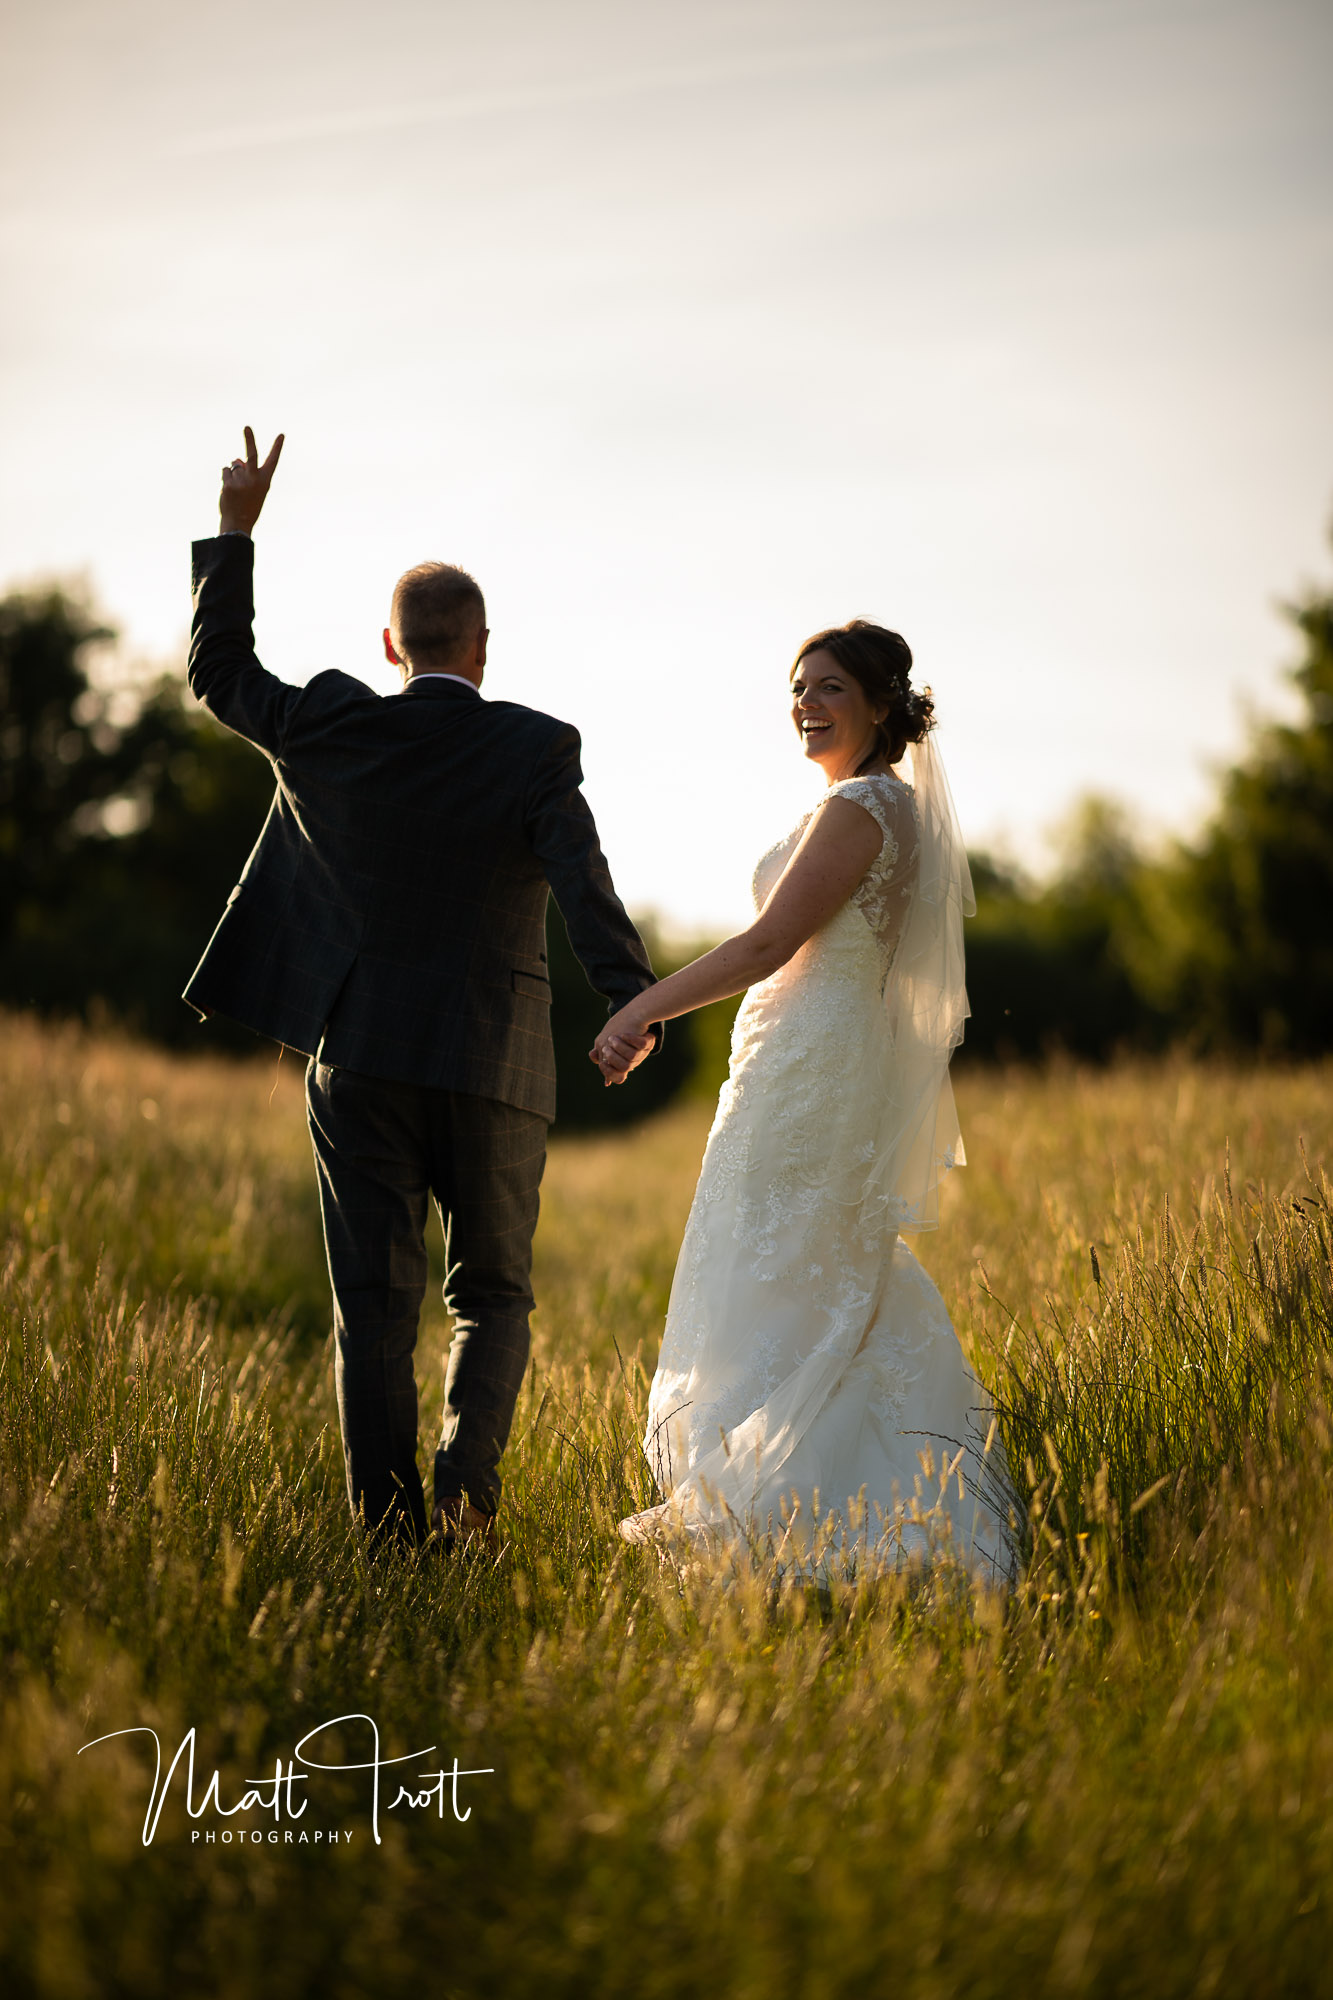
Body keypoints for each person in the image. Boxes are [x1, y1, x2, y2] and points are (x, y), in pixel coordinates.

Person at [185, 429, 659, 1554]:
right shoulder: (537, 749)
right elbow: (580, 879)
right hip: (496, 1056)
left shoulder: (337, 723)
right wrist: (627, 995)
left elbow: (222, 676)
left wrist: (237, 535)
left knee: (374, 1313)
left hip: (361, 1057)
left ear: (389, 644)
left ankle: (390, 1535)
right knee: (492, 1293)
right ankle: (467, 1494)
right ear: (481, 648)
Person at [592, 621, 1016, 1582]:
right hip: (800, 1062)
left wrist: (640, 1010)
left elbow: (763, 946)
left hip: (814, 1075)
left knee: (784, 1267)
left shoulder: (864, 806)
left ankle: (782, 1518)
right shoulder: (872, 807)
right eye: (797, 688)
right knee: (812, 1267)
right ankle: (828, 1499)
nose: (806, 704)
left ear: (877, 705)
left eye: (828, 688)